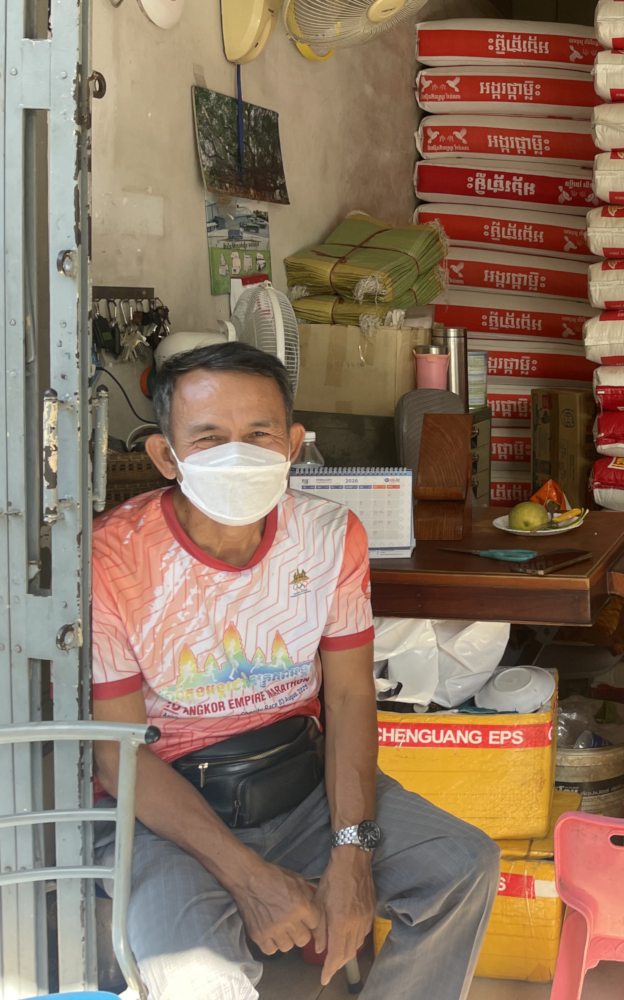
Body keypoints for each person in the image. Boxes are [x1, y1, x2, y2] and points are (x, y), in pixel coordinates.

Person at [90, 342, 499, 1000]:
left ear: (293, 443)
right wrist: (250, 876)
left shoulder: (330, 534)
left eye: (259, 434)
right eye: (209, 437)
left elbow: (348, 698)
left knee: (462, 867)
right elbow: (118, 760)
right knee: (197, 976)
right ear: (166, 456)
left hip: (300, 788)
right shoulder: (112, 559)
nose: (239, 454)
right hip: (165, 813)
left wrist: (352, 851)